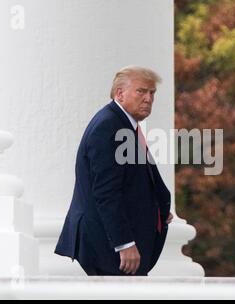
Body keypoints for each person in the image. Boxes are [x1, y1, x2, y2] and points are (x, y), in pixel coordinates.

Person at [55, 66, 173, 276]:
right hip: (110, 247)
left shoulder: (124, 125)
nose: (148, 99)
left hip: (117, 242)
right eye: (141, 91)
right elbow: (106, 192)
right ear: (120, 93)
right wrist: (124, 243)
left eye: (152, 93)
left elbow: (131, 182)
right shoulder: (108, 126)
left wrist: (156, 208)